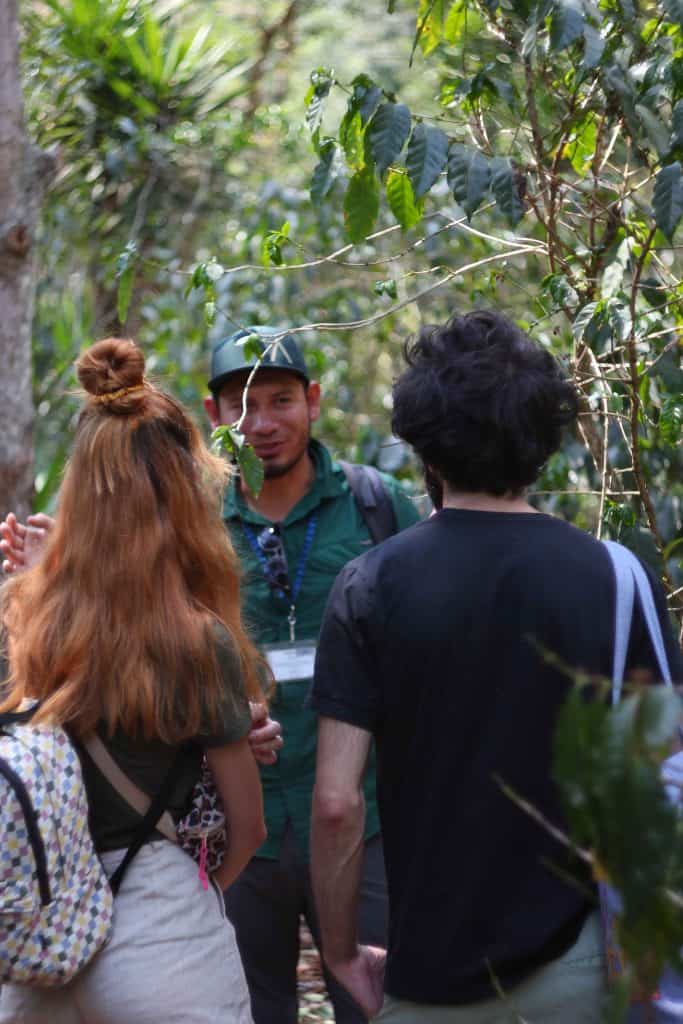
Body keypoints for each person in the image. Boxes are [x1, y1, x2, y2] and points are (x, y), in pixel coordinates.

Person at [309, 310, 683, 1023]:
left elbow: (336, 804)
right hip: (579, 973)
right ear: (540, 442)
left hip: (426, 979)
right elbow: (661, 778)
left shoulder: (368, 585)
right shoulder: (614, 576)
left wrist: (341, 952)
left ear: (425, 444)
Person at [0, 337, 269, 1024]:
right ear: (183, 489)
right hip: (161, 936)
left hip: (36, 946)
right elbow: (248, 830)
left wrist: (32, 583)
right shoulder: (198, 641)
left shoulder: (27, 618)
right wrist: (181, 891)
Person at [203, 326, 421, 1024]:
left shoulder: (376, 504)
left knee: (379, 1004)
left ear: (313, 401)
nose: (261, 424)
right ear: (213, 415)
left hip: (367, 822)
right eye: (241, 405)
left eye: (280, 400)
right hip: (243, 830)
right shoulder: (192, 524)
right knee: (248, 1010)